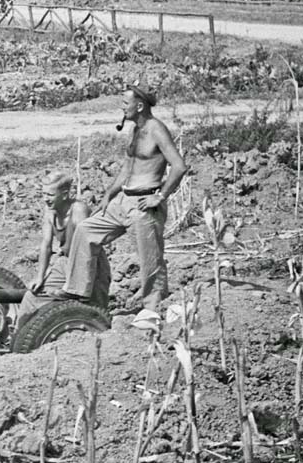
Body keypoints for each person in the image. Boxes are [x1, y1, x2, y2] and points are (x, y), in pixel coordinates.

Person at [58, 85, 187, 312]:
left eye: (124, 103)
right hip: (124, 201)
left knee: (150, 261)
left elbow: (179, 166)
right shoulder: (135, 130)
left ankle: (152, 311)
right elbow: (128, 167)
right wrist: (109, 195)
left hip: (145, 204)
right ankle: (78, 293)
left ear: (139, 106)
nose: (121, 107)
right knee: (86, 230)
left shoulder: (156, 129)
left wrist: (161, 196)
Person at [17, 172, 111, 330]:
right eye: (43, 194)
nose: (46, 199)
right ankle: (19, 338)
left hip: (89, 263)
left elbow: (86, 245)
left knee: (95, 311)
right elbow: (46, 245)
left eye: (50, 194)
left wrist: (78, 281)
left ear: (65, 194)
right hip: (65, 262)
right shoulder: (49, 213)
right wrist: (40, 277)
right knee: (32, 297)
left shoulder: (79, 209)